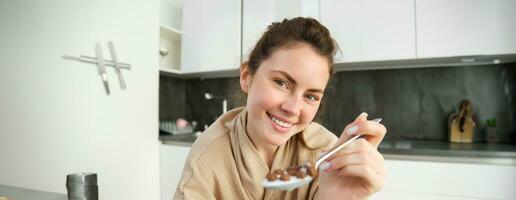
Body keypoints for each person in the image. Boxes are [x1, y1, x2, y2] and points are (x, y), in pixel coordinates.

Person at [173, 17, 387, 200]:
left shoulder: (327, 157)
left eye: (311, 96)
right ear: (247, 76)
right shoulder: (206, 159)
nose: (293, 109)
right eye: (281, 83)